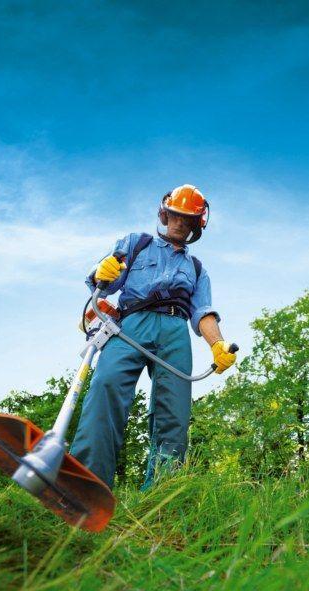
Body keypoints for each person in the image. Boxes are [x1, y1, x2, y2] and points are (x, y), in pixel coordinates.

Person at [70, 184, 237, 490]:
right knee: (106, 385)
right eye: (175, 215)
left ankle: (161, 494)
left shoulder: (197, 269)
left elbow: (204, 313)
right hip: (130, 324)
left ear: (196, 226)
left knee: (173, 413)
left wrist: (218, 345)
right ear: (165, 214)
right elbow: (103, 283)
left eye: (187, 219)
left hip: (175, 332)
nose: (179, 223)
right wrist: (101, 271)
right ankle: (86, 484)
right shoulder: (136, 243)